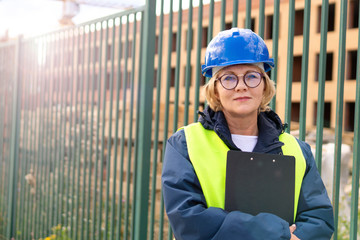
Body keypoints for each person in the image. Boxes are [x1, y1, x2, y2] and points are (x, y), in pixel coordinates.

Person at [161, 28, 334, 240]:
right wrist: (276, 234)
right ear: (215, 89)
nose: (241, 87)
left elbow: (319, 218)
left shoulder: (298, 150)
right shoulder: (185, 144)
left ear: (264, 86)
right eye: (229, 78)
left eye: (251, 76)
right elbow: (188, 220)